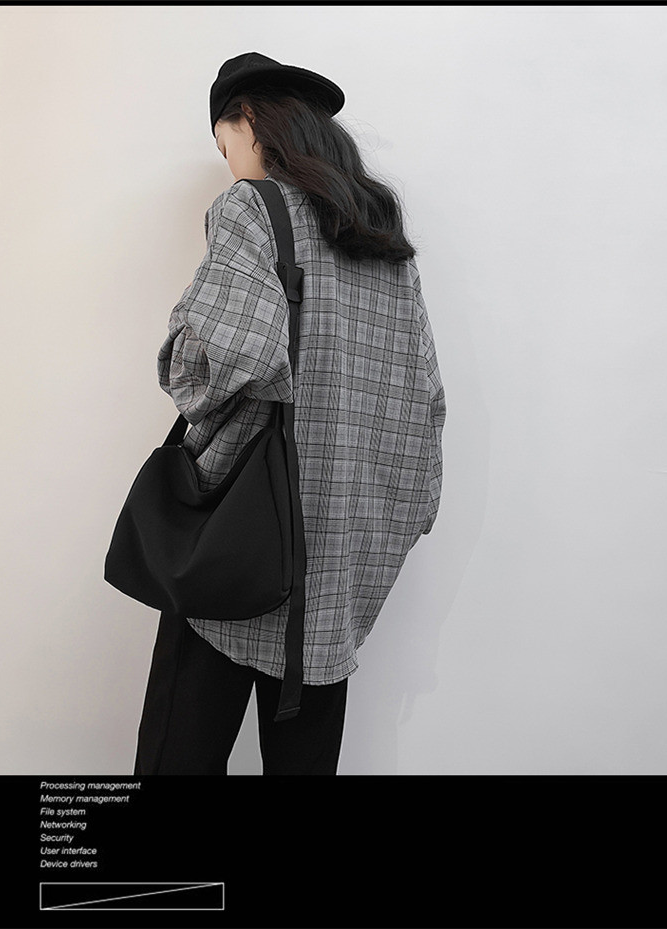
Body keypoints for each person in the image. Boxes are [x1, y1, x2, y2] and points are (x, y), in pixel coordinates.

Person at [132, 52, 446, 776]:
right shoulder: (383, 239)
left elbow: (228, 359)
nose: (229, 165)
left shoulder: (251, 206)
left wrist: (181, 355)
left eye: (225, 148)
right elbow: (425, 400)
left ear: (247, 121)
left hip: (238, 550)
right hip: (337, 571)